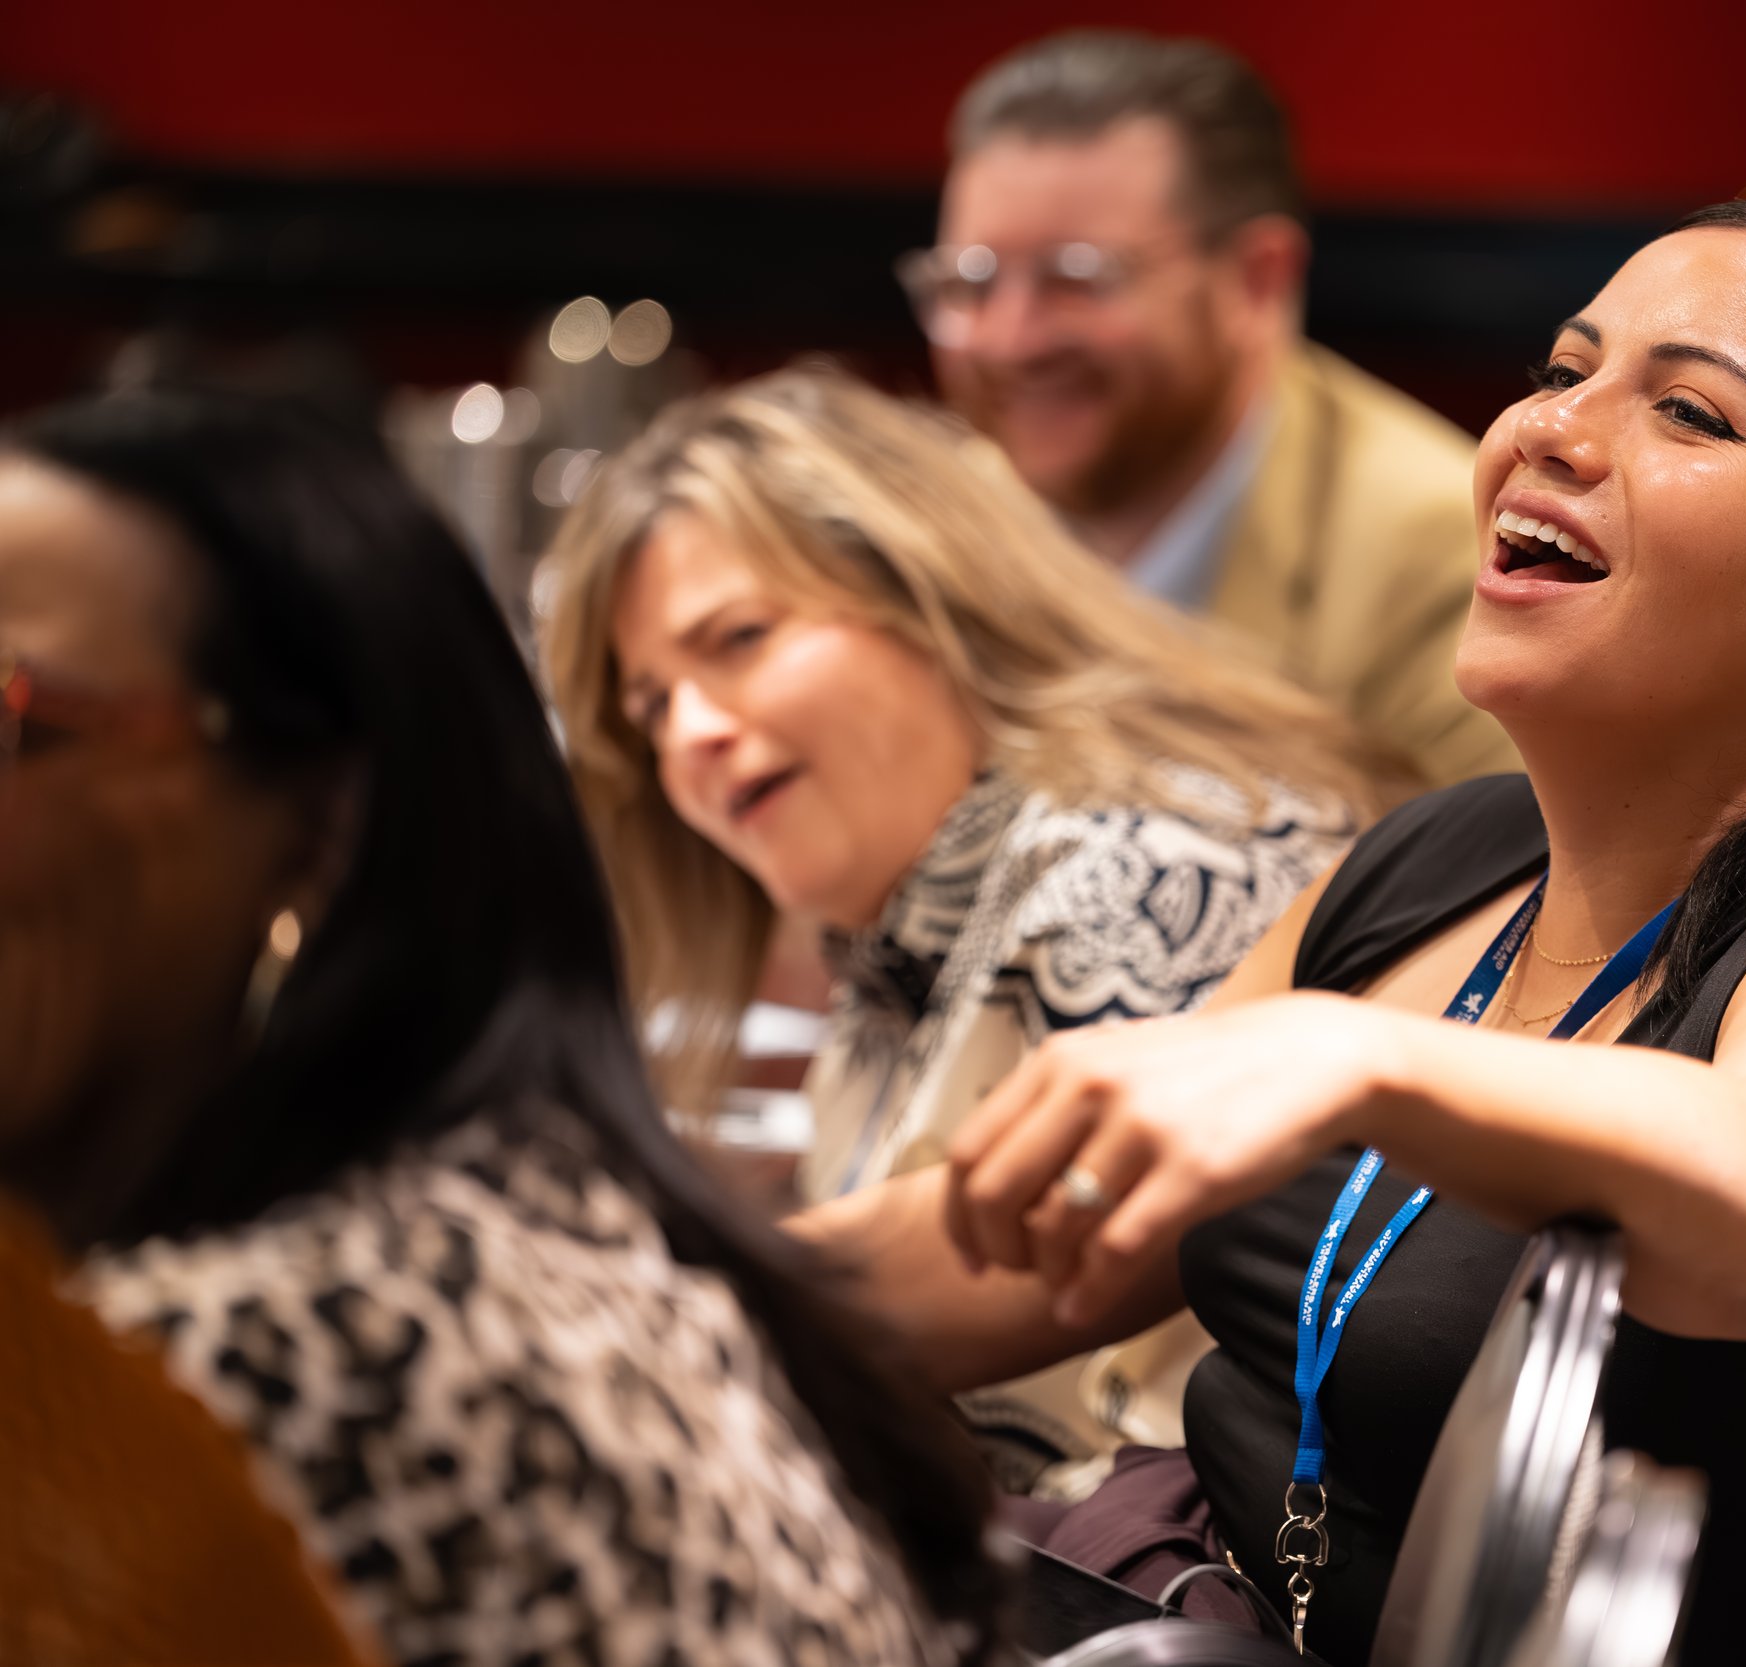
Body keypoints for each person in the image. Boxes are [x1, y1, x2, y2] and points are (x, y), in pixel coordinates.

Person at [796, 200, 1746, 1664]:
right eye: (1565, 371)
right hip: (1175, 1583)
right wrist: (646, 1276)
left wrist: (1356, 1062)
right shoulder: (1449, 858)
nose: (1549, 431)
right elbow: (1034, 1241)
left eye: (1688, 410)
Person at [0, 392, 1000, 1666]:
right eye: (648, 703)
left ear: (319, 832)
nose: (694, 733)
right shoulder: (543, 1211)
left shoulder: (273, 1354)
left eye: (11, 717)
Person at [540, 367, 1406, 1483]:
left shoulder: (1146, 869)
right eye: (651, 703)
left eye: (739, 639)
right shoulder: (896, 938)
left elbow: (1060, 1327)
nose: (690, 733)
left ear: (931, 598)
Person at [906, 29, 1518, 788]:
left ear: (1257, 280)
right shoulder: (931, 531)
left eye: (1076, 277)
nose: (1009, 340)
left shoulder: (1447, 556)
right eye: (971, 282)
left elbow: (1500, 899)